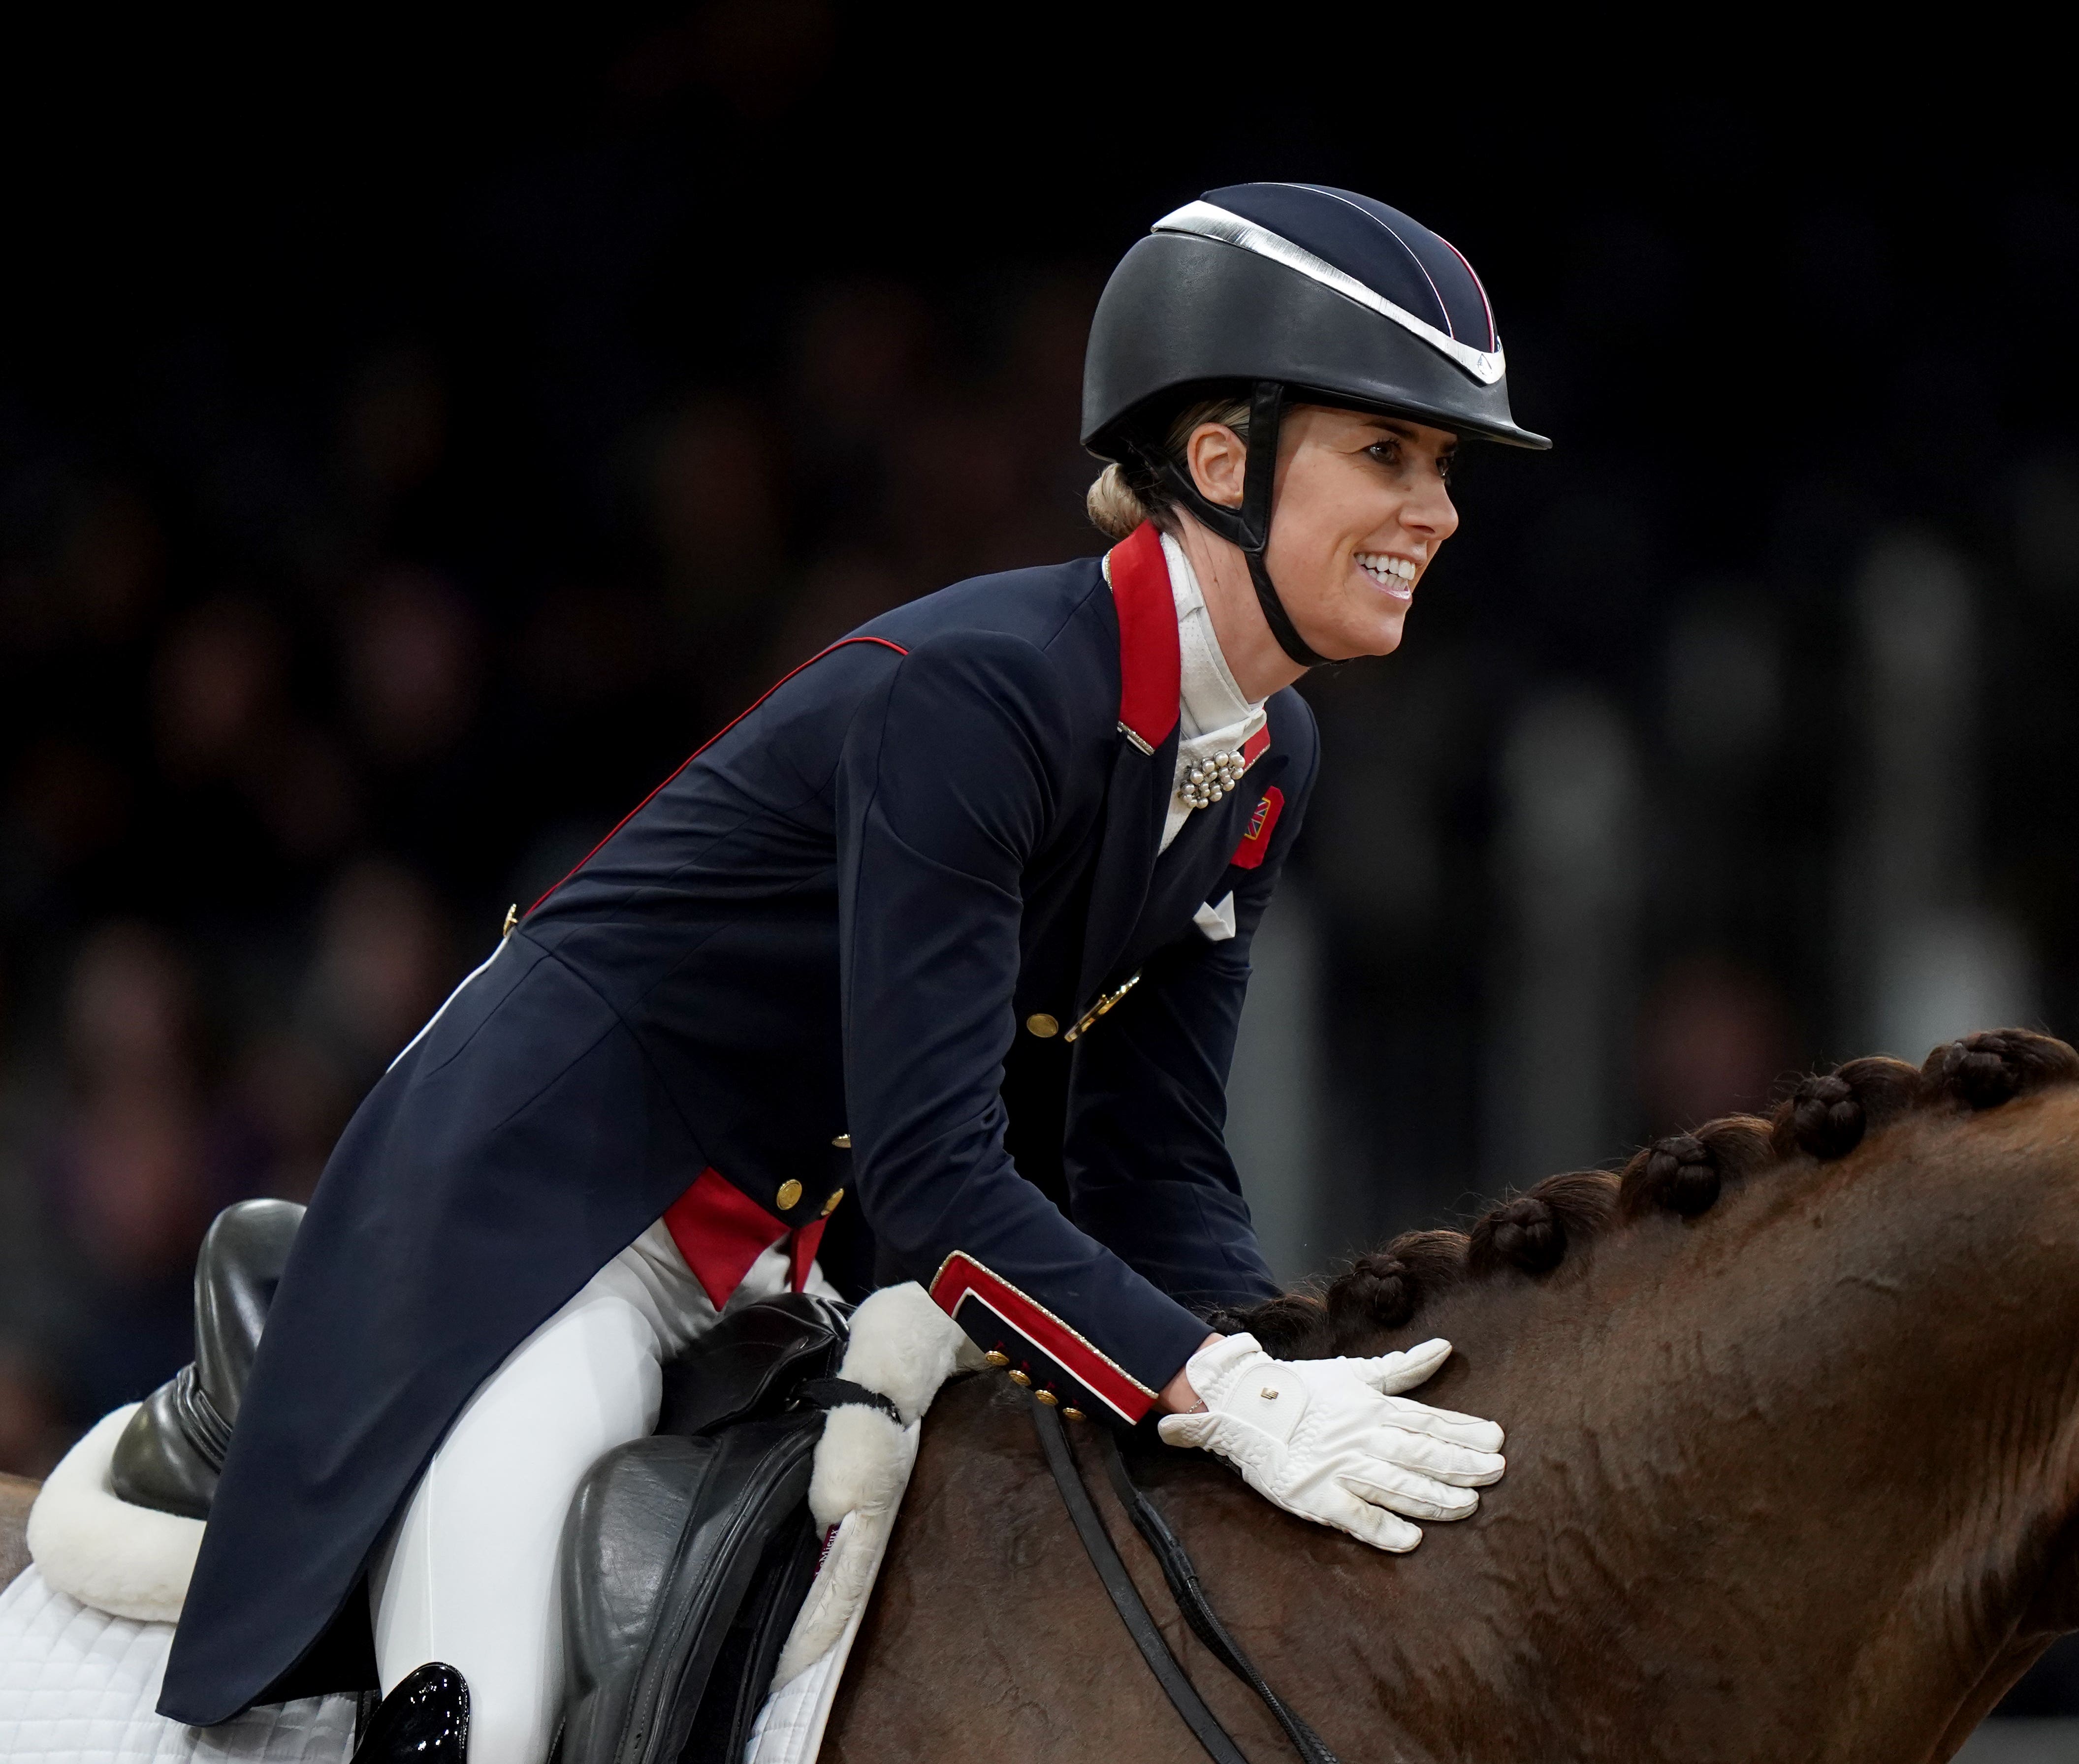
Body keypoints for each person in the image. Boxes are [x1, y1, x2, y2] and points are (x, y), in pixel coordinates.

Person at [155, 183, 1551, 1764]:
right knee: (482, 1718)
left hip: (777, 1258)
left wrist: (1294, 1370)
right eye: (1389, 454)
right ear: (1222, 465)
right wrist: (1214, 1389)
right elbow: (941, 1177)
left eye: (1440, 467)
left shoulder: (1267, 753)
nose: (1437, 509)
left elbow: (1150, 1162)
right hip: (548, 1218)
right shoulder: (982, 700)